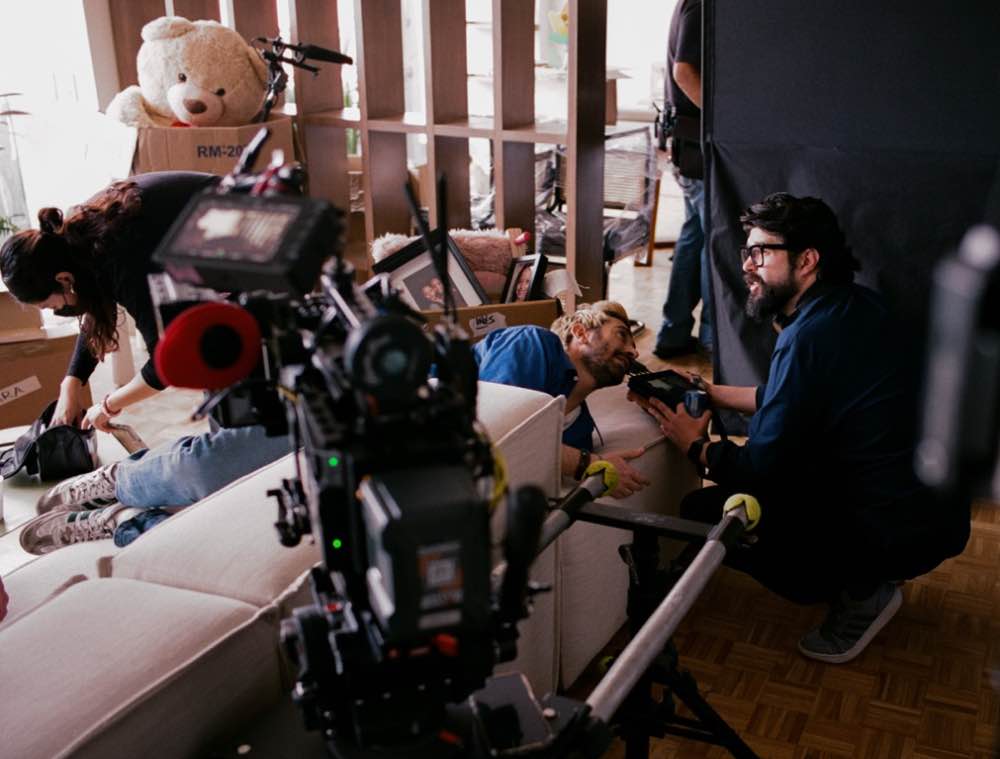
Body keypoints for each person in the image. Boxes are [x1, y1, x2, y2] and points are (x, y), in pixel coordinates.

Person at [641, 193, 969, 663]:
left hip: (892, 525)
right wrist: (713, 393)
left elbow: (760, 467)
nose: (747, 265)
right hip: (931, 517)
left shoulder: (808, 336)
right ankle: (872, 567)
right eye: (747, 252)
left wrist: (696, 446)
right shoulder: (855, 307)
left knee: (704, 511)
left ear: (807, 260)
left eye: (761, 252)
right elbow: (797, 399)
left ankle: (863, 592)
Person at [0, 172, 292, 553]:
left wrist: (109, 404)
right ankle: (131, 504)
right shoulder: (85, 236)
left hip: (259, 290)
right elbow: (97, 300)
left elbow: (165, 366)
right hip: (237, 295)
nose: (57, 312)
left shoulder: (123, 252)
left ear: (64, 279)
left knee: (230, 464)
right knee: (234, 463)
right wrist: (72, 380)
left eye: (50, 304)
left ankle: (120, 481)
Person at [474, 301, 650, 499]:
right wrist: (588, 463)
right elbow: (492, 433)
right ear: (581, 333)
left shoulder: (581, 432)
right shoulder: (534, 343)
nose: (634, 352)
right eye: (621, 335)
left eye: (634, 346)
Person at [654, 0, 713, 359]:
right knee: (714, 241)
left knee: (696, 238)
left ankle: (674, 333)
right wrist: (723, 117)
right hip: (696, 149)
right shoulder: (700, 4)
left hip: (688, 147)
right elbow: (684, 72)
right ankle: (712, 338)